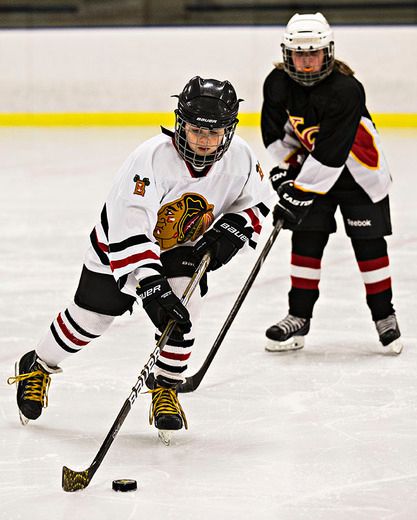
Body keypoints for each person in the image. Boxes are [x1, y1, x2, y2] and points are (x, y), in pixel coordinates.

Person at [8, 76, 271, 433]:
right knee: (91, 320)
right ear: (180, 124)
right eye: (196, 131)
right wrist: (150, 284)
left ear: (229, 131)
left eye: (215, 133)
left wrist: (234, 230)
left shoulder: (240, 158)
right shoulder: (150, 160)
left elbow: (255, 202)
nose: (205, 142)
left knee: (183, 310)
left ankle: (165, 387)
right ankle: (39, 362)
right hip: (118, 249)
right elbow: (130, 229)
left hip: (180, 249)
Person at [261, 13, 402, 354]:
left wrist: (298, 190)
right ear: (287, 53)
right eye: (299, 53)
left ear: (328, 52)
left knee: (369, 246)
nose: (306, 61)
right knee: (306, 240)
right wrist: (284, 170)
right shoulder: (277, 83)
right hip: (313, 169)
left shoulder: (346, 89)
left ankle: (385, 316)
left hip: (358, 174)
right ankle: (298, 317)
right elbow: (275, 131)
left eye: (314, 53)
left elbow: (332, 153)